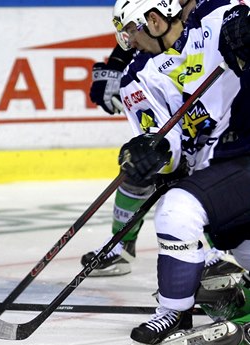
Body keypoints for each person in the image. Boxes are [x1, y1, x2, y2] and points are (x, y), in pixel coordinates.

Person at [107, 0, 250, 345]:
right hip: (216, 180)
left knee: (177, 209)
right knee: (196, 232)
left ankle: (175, 308)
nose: (128, 42)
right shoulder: (138, 79)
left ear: (154, 20)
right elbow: (169, 151)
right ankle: (190, 311)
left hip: (240, 158)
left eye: (131, 31)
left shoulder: (219, 19)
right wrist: (151, 153)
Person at [82, 0, 200, 277]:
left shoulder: (213, 26)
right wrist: (117, 63)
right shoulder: (141, 73)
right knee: (145, 162)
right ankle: (122, 244)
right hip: (201, 136)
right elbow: (147, 21)